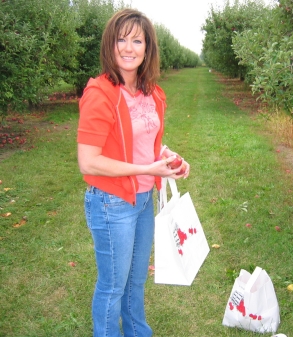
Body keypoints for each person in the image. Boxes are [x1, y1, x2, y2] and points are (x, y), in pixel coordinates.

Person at [77, 8, 189, 337]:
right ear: (110, 45)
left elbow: (145, 142)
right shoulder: (100, 94)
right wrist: (146, 168)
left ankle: (139, 332)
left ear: (147, 48)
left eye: (136, 40)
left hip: (142, 200)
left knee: (135, 282)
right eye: (121, 39)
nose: (128, 47)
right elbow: (89, 161)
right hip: (112, 203)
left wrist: (168, 158)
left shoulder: (151, 92)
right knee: (112, 286)